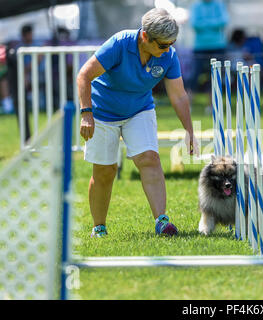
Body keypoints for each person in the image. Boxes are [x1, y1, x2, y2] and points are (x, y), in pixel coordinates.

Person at [77, 8, 199, 238]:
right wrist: (86, 113)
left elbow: (179, 95)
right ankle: (99, 227)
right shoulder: (120, 44)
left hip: (139, 109)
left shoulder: (169, 56)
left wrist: (189, 130)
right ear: (145, 37)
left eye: (171, 44)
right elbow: (84, 75)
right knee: (105, 171)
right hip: (102, 111)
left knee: (150, 159)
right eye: (163, 45)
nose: (167, 50)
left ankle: (162, 221)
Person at [189, 0, 229, 95]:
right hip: (200, 47)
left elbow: (224, 21)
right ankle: (188, 102)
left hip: (218, 45)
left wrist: (204, 23)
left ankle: (212, 104)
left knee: (215, 75)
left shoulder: (219, 4)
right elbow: (194, 24)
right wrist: (213, 23)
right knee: (195, 75)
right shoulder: (196, 5)